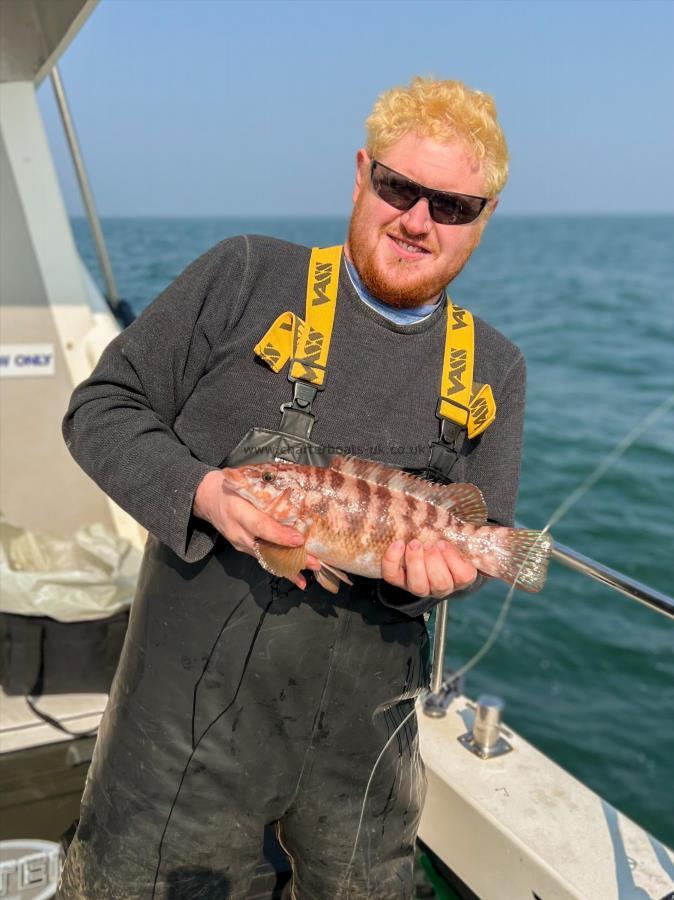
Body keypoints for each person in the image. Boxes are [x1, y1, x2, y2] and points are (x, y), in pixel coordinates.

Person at [59, 77, 524, 899]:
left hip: (366, 751)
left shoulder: (494, 366)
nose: (417, 221)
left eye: (451, 207)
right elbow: (99, 409)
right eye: (399, 187)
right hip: (183, 739)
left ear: (485, 218)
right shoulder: (243, 275)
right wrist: (201, 491)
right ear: (360, 174)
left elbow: (485, 537)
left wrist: (451, 581)